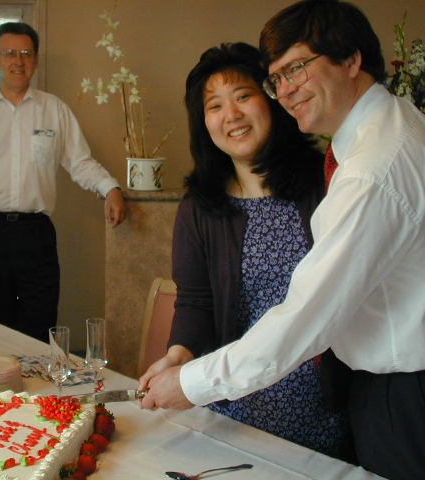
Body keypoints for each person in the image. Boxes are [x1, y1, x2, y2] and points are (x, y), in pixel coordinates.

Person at [140, 2, 425, 479]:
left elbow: (306, 316)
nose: (287, 89)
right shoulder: (389, 131)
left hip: (407, 391)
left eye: (297, 68)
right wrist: (182, 359)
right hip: (385, 387)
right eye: (277, 78)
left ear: (352, 59)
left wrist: (191, 384)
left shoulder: (370, 171)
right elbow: (198, 300)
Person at [138, 42, 351, 459]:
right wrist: (178, 355)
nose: (231, 115)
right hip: (233, 404)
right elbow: (196, 301)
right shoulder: (200, 206)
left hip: (324, 407)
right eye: (214, 105)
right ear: (203, 123)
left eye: (243, 96)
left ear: (271, 100)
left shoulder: (324, 181)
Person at [0, 22, 126, 342]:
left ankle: (40, 392)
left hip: (35, 234)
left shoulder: (53, 109)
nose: (18, 60)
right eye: (10, 53)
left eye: (26, 53)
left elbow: (79, 161)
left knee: (40, 325)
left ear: (36, 60)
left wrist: (110, 187)